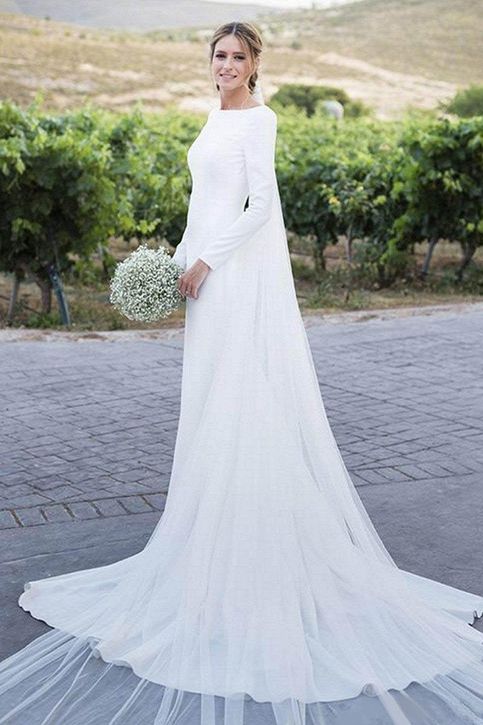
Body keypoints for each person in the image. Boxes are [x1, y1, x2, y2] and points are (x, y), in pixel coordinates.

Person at [1, 20, 483, 725]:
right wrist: (176, 266)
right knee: (207, 402)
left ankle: (250, 541)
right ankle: (206, 531)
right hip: (202, 281)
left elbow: (261, 209)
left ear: (256, 63)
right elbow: (208, 200)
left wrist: (206, 261)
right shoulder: (211, 114)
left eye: (236, 56)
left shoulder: (260, 119)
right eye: (218, 56)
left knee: (240, 399)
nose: (225, 65)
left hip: (228, 277)